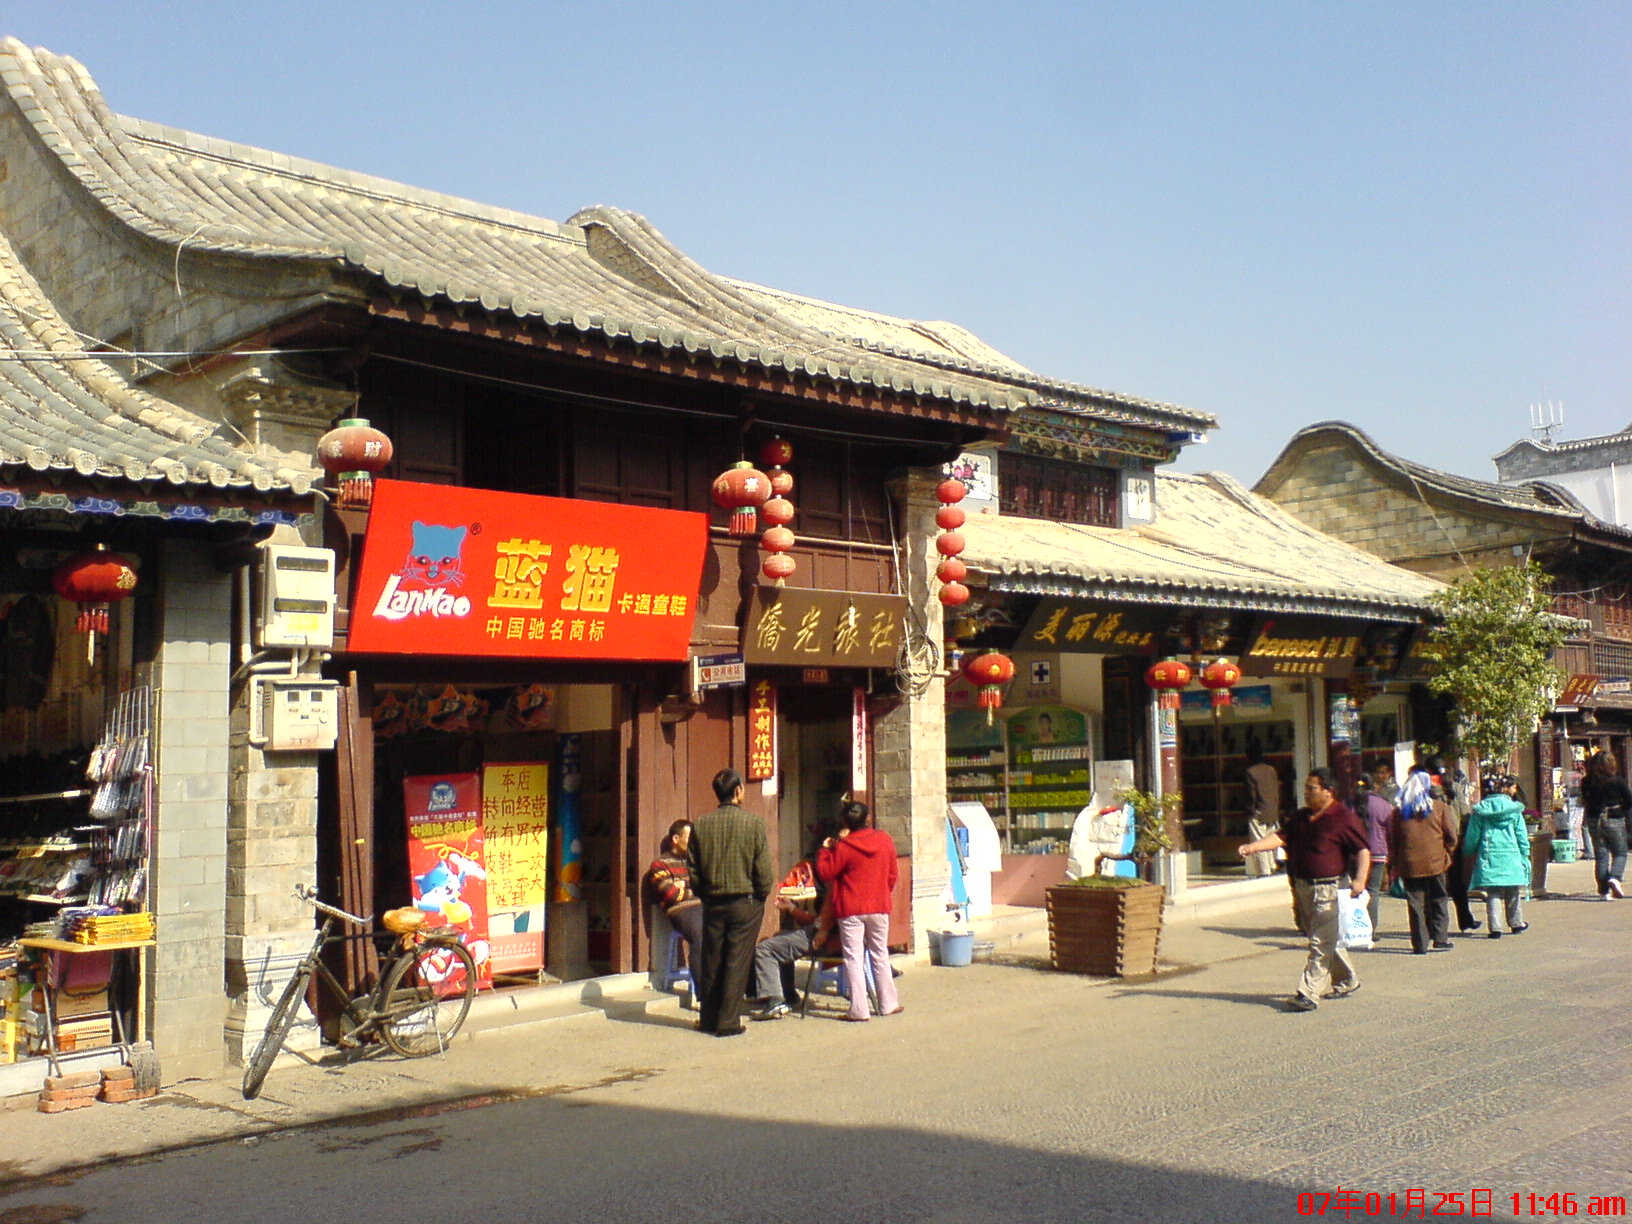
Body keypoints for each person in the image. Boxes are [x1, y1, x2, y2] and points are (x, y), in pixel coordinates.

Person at [1237, 767, 1370, 1012]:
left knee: (1320, 942)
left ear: (1328, 791)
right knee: (1323, 938)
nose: (1307, 793)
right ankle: (1347, 980)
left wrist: (1360, 879)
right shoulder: (1301, 817)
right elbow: (1281, 837)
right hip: (1302, 888)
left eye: (1312, 788)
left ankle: (1308, 993)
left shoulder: (1343, 817)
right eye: (1306, 788)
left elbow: (1362, 850)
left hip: (1329, 889)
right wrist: (1253, 847)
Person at [687, 768, 773, 1037]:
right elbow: (763, 871)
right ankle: (728, 1021)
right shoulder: (754, 824)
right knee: (737, 960)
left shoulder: (701, 824)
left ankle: (709, 1018)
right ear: (738, 791)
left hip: (713, 901)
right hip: (745, 902)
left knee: (712, 959)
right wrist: (760, 895)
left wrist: (705, 894)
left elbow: (693, 869)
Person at [816, 800, 902, 1022]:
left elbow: (826, 872)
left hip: (851, 908)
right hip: (879, 905)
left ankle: (859, 1009)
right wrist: (883, 891)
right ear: (868, 818)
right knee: (880, 954)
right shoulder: (885, 840)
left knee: (854, 958)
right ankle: (888, 1003)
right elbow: (893, 874)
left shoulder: (844, 847)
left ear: (845, 823)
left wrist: (825, 850)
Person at [1386, 775, 1459, 954]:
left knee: (1415, 903)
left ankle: (1420, 944)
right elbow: (1451, 836)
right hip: (1436, 862)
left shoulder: (1399, 812)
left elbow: (1394, 839)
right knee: (1439, 898)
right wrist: (1447, 854)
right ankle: (1440, 939)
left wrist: (1395, 862)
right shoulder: (1440, 807)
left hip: (1409, 864)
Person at [1465, 773, 1532, 937]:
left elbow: (1473, 835)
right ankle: (1516, 923)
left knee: (1493, 892)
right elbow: (1521, 834)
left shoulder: (1481, 810)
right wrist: (1525, 853)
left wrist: (1469, 851)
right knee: (1513, 890)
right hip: (1511, 854)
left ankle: (1495, 928)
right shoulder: (1514, 810)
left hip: (1489, 854)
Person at [643, 820, 702, 974]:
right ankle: (704, 987)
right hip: (681, 911)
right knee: (701, 935)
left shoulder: (695, 862)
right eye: (690, 838)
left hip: (703, 907)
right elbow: (671, 895)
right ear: (676, 839)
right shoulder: (660, 864)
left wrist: (684, 884)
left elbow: (708, 885)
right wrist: (694, 888)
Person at [1580, 750, 1631, 901]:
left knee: (1601, 854)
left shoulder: (1587, 782)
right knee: (1620, 852)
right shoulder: (1617, 781)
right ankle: (1615, 877)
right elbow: (1629, 801)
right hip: (1614, 818)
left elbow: (1584, 799)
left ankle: (1604, 892)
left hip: (1594, 819)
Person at [1354, 772, 1396, 936]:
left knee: (1355, 890)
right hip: (1377, 853)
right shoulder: (1382, 804)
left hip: (1354, 854)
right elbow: (1391, 829)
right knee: (1373, 891)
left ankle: (1355, 927)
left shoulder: (1349, 804)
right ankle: (1370, 929)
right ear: (1375, 786)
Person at [1242, 744, 1281, 879]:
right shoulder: (1271, 769)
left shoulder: (1250, 771)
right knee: (1270, 841)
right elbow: (1276, 790)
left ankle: (1263, 872)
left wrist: (1250, 810)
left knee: (1258, 842)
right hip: (1272, 810)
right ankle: (1272, 867)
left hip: (1258, 811)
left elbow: (1251, 795)